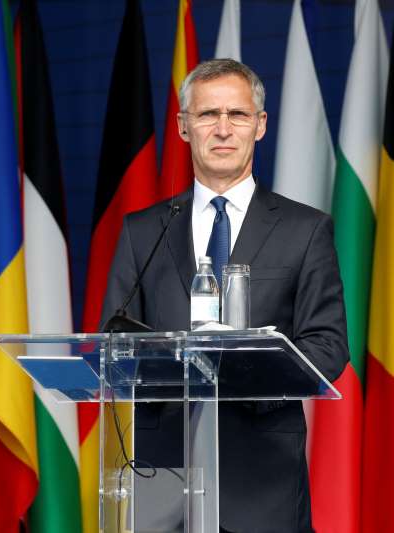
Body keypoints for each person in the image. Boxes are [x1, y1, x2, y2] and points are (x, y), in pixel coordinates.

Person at [100, 59, 349, 532]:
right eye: (207, 114)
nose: (222, 129)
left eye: (237, 114)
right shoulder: (142, 230)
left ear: (260, 125)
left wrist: (240, 375)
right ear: (183, 127)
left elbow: (328, 346)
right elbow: (113, 346)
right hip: (161, 479)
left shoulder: (305, 229)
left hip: (262, 482)